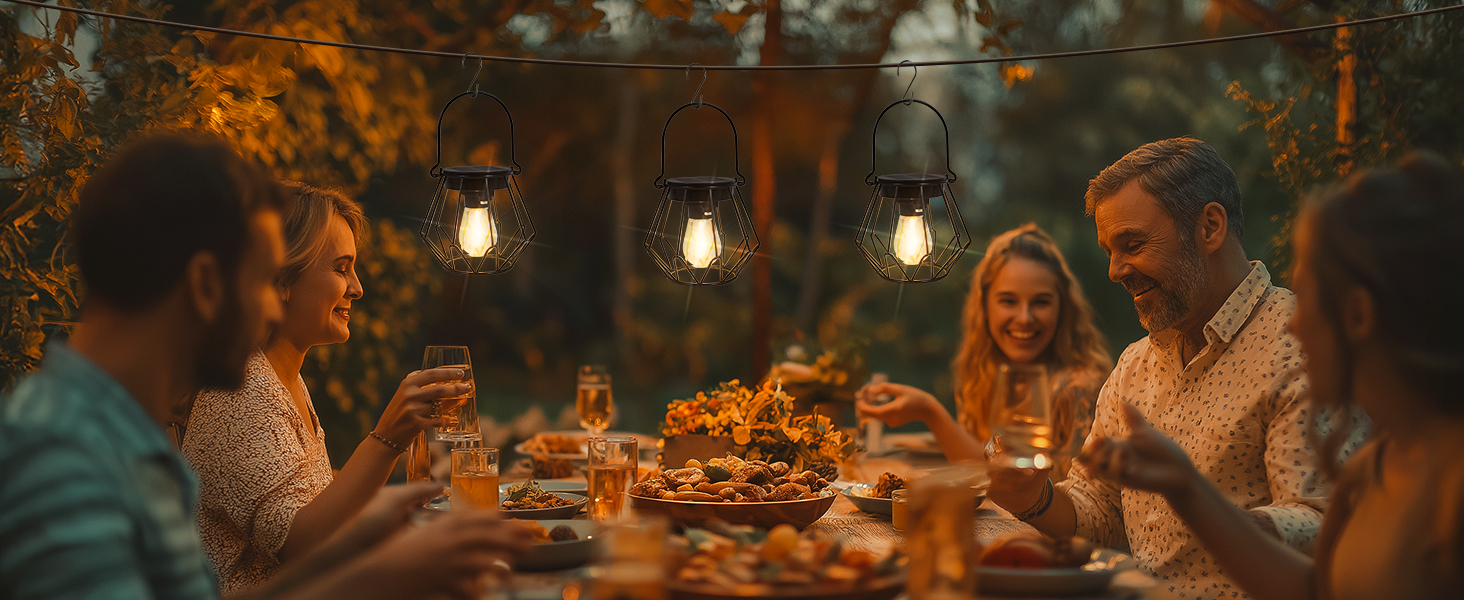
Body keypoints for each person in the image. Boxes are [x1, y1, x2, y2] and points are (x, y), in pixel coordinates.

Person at [0, 132, 529, 600]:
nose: (274, 308)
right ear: (206, 283)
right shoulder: (63, 459)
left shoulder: (122, 439)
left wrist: (368, 542)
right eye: (263, 281)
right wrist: (375, 579)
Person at [1078, 153, 1464, 600]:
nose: (1294, 322)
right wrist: (1183, 486)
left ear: (1358, 314)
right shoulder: (1369, 470)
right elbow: (1312, 591)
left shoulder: (1452, 489)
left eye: (1311, 296)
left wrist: (1189, 489)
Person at [986, 137, 1358, 599]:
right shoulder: (1135, 365)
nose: (1115, 270)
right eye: (1108, 250)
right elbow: (1100, 510)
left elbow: (1329, 526)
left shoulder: (1301, 348)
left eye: (1133, 244)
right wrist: (1032, 498)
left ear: (1210, 227)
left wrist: (1203, 508)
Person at [180, 183, 464, 593]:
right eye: (341, 267)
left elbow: (316, 505)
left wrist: (395, 500)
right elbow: (301, 545)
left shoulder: (282, 379)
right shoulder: (239, 392)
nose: (357, 287)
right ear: (282, 278)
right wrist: (388, 439)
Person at [856, 224, 1113, 474]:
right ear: (985, 307)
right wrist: (928, 412)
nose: (1024, 317)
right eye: (1008, 301)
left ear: (1063, 308)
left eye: (1041, 302)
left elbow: (1068, 503)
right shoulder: (980, 375)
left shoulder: (1078, 389)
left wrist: (931, 412)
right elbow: (985, 469)